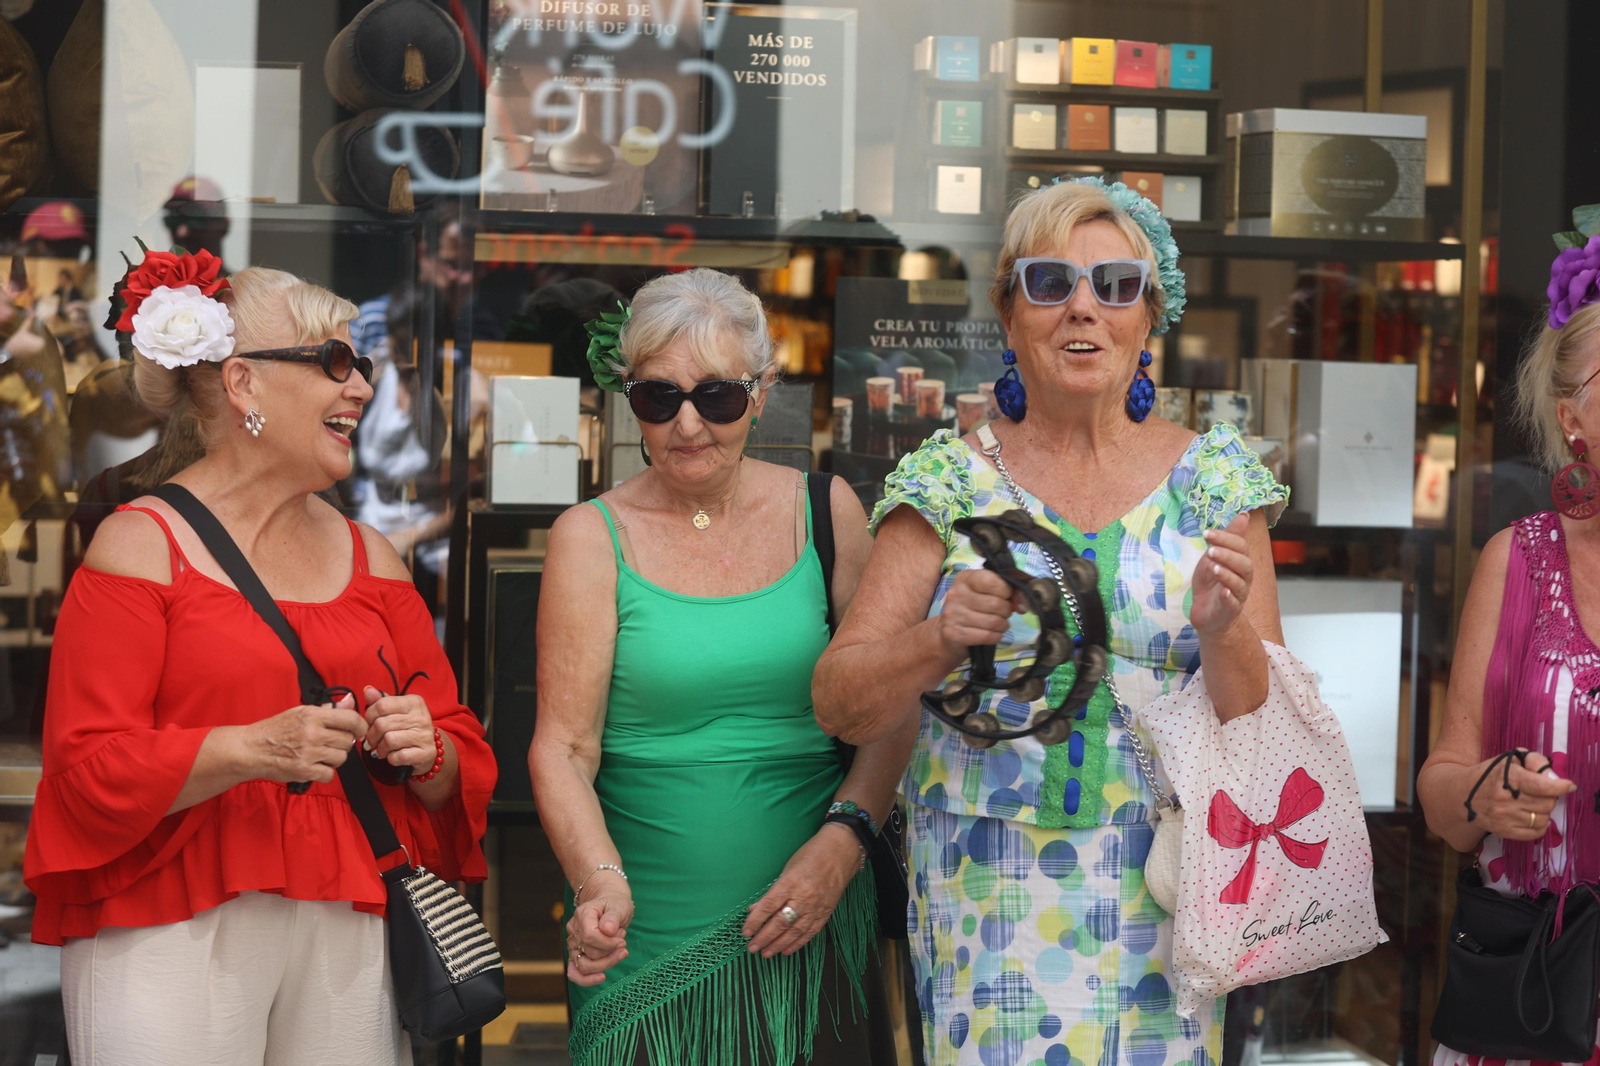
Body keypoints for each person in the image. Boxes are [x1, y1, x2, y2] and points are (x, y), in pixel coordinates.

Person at [813, 177, 1290, 1066]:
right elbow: (839, 701)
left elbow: (1261, 730)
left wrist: (1224, 630)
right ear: (1009, 313)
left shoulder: (1215, 481)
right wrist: (938, 636)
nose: (1084, 309)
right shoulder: (948, 481)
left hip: (1171, 888)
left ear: (1151, 317)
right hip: (987, 894)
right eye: (1049, 283)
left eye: (1116, 286)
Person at [22, 261, 496, 1066]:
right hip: (166, 921)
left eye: (362, 366)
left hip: (349, 918)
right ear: (241, 382)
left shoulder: (373, 559)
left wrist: (430, 749)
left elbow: (458, 749)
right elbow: (86, 768)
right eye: (335, 363)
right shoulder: (141, 545)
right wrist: (250, 749)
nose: (360, 389)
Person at [530, 268, 914, 1066]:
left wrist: (843, 846)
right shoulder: (590, 536)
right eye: (658, 399)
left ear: (763, 389)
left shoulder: (828, 511)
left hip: (812, 912)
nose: (689, 426)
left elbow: (888, 705)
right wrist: (598, 882)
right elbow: (564, 747)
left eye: (718, 398)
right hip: (643, 932)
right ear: (628, 395)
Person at [1417, 229, 1600, 1066]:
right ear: (1573, 420)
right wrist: (1486, 794)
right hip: (1534, 998)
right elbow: (1441, 793)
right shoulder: (1519, 559)